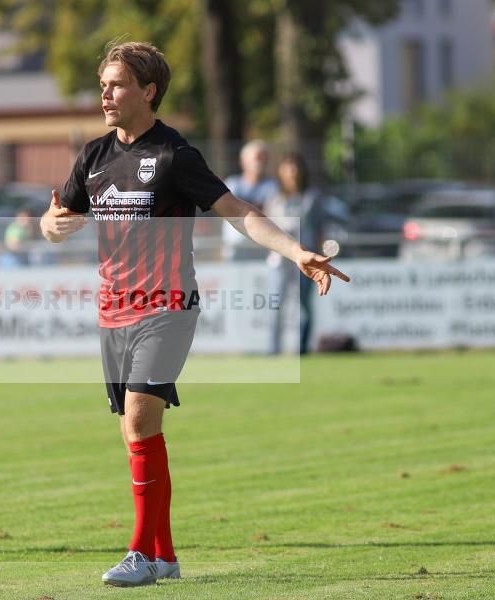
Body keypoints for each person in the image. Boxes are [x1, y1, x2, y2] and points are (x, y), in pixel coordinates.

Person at [39, 41, 350, 587]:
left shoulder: (174, 155)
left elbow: (239, 212)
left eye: (116, 84)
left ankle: (140, 553)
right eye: (103, 84)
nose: (105, 94)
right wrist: (53, 226)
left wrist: (296, 251)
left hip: (168, 306)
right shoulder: (93, 155)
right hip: (114, 310)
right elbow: (55, 214)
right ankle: (164, 555)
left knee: (139, 417)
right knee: (135, 433)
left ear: (148, 91)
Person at [264, 152, 349, 355]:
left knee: (303, 306)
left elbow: (320, 229)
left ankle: (302, 349)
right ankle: (272, 350)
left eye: (295, 167)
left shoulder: (312, 198)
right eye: (287, 167)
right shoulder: (274, 200)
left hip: (306, 258)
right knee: (275, 305)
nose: (292, 172)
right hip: (279, 259)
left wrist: (321, 256)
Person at [221, 140, 280, 261]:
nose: (261, 162)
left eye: (264, 158)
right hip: (236, 248)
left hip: (262, 248)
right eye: (258, 158)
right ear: (243, 161)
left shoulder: (274, 186)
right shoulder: (232, 184)